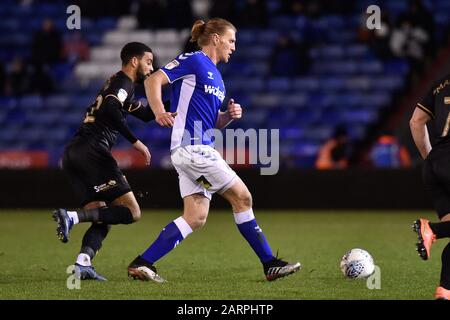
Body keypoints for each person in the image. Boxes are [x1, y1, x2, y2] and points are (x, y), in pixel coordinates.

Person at [126, 18, 301, 283]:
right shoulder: (194, 60)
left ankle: (143, 262)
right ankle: (269, 264)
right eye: (231, 41)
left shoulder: (217, 77)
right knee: (243, 198)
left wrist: (228, 116)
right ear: (216, 38)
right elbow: (152, 80)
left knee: (195, 216)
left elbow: (212, 122)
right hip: (193, 149)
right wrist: (160, 111)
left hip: (193, 150)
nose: (233, 47)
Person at [52, 42, 167, 281]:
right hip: (93, 152)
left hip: (74, 153)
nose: (151, 66)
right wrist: (136, 142)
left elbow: (146, 114)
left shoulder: (120, 86)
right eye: (148, 61)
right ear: (133, 61)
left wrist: (165, 104)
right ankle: (72, 217)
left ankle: (83, 263)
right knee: (131, 212)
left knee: (103, 214)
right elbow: (112, 110)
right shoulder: (122, 81)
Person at [410, 75, 450, 299]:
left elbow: (415, 122)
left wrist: (432, 161)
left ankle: (445, 290)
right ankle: (433, 229)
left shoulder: (440, 84)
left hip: (435, 164)